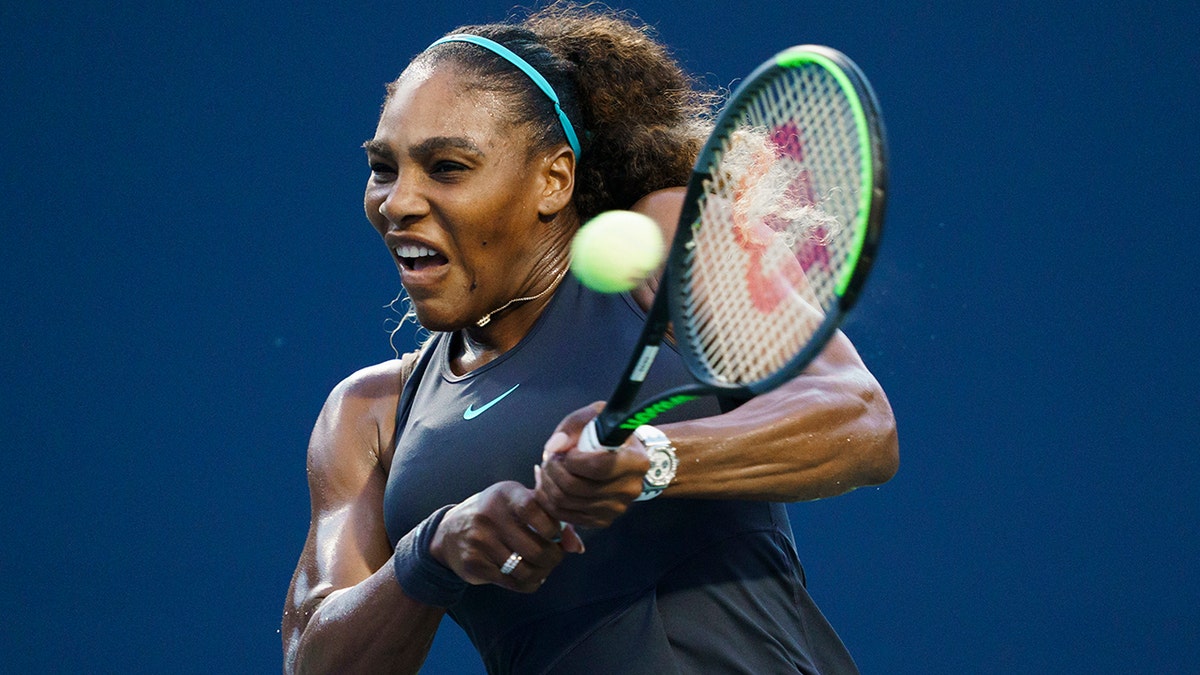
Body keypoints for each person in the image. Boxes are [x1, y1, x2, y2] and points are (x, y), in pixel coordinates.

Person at [282, 4, 898, 673]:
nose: (398, 201)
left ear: (554, 178)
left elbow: (860, 419)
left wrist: (656, 459)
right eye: (383, 167)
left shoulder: (670, 238)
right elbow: (315, 659)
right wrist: (432, 551)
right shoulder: (367, 415)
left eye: (448, 166)